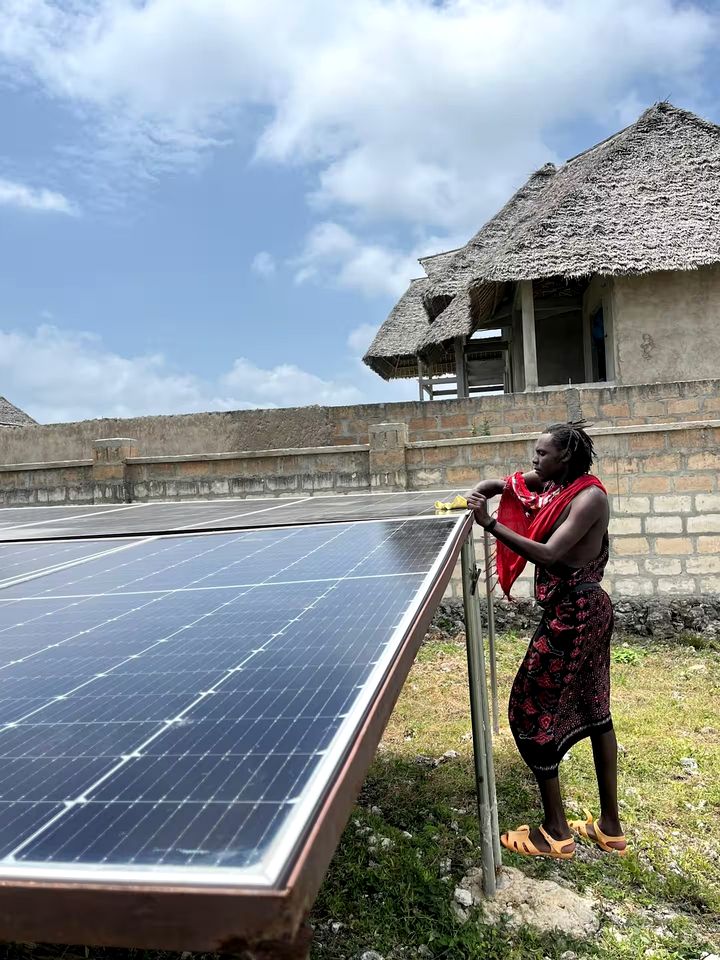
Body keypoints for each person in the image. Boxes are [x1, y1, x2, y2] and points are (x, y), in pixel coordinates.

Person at [466, 421, 627, 860]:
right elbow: (512, 483)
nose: (534, 461)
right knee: (596, 711)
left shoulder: (589, 497)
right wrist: (486, 488)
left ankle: (555, 832)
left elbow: (552, 554)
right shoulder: (558, 483)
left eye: (541, 454)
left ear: (565, 459)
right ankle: (609, 828)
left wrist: (491, 524)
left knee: (528, 707)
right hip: (583, 610)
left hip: (575, 615)